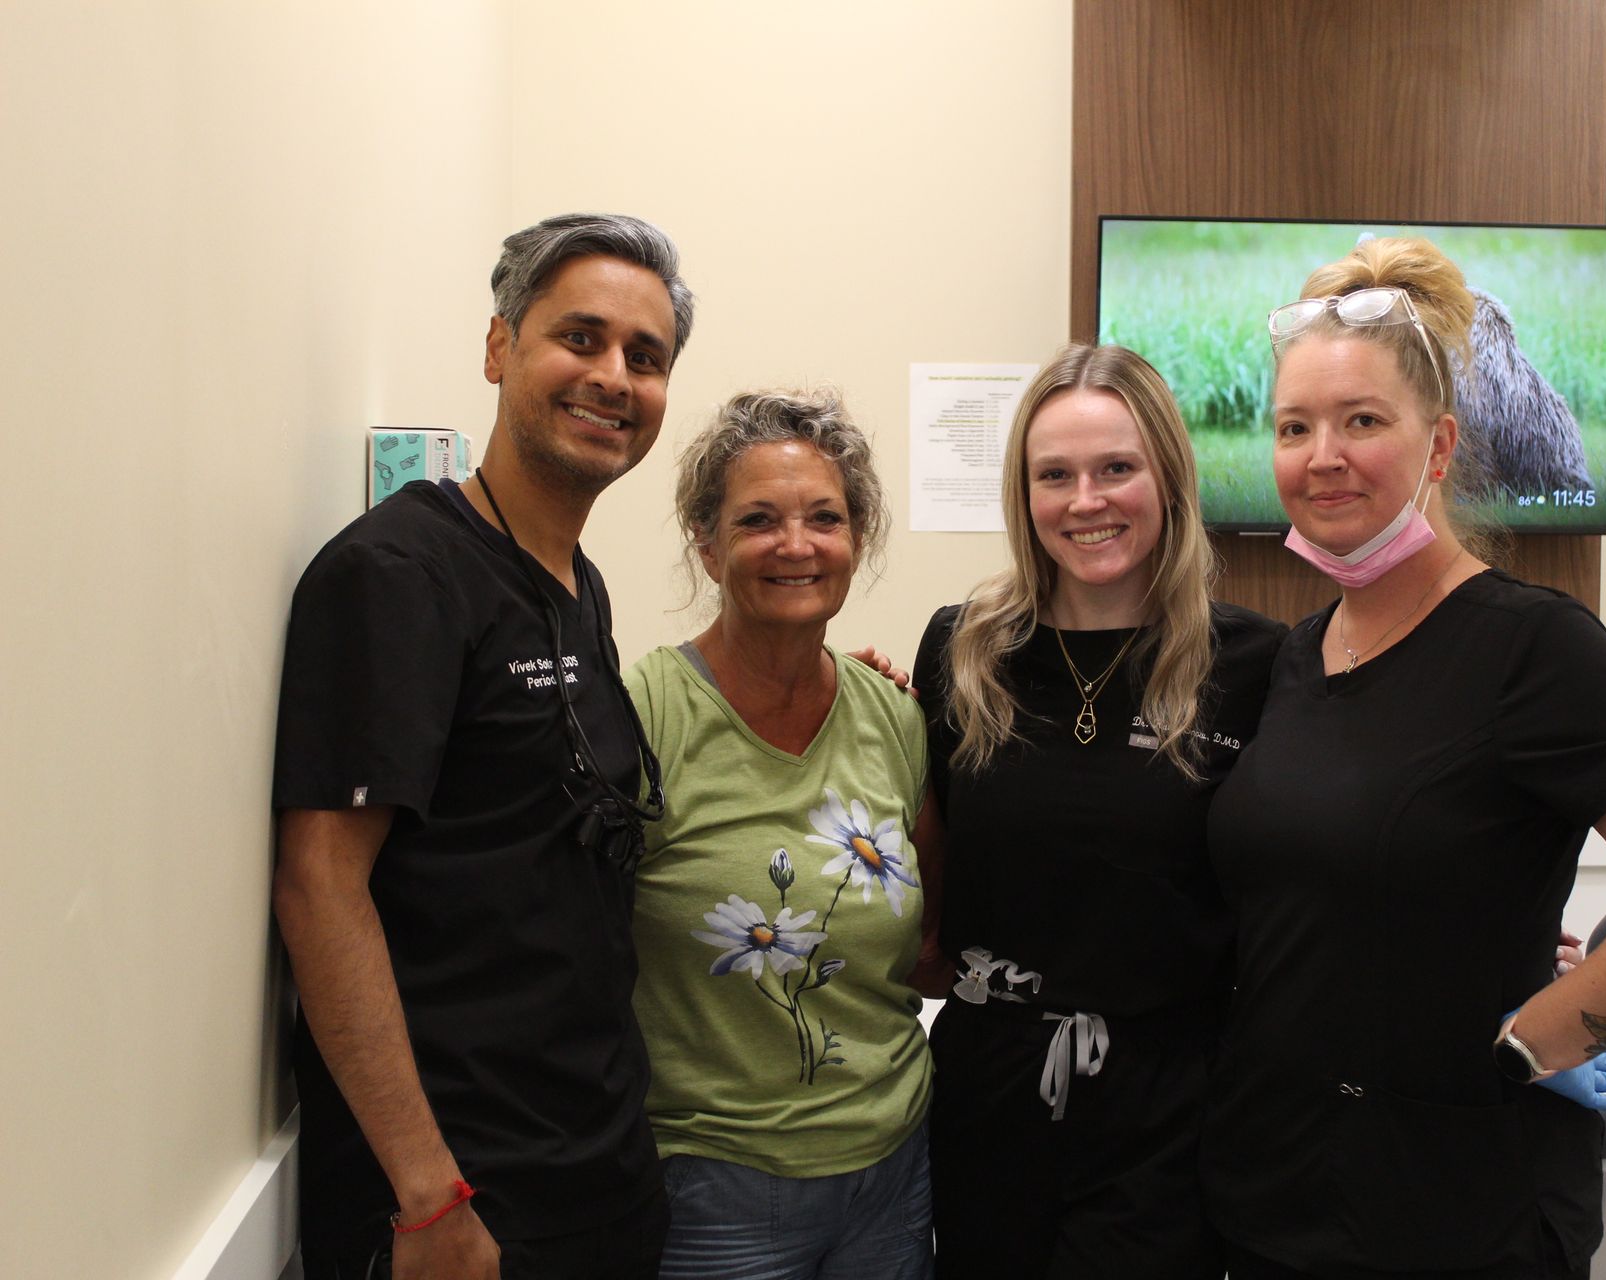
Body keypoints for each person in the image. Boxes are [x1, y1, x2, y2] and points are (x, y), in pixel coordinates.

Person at [1201, 236, 1606, 1279]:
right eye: (1294, 427)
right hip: (1272, 1193)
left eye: (1362, 421)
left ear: (1439, 446)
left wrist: (1547, 1033)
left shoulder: (1532, 645)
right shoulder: (1296, 657)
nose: (1321, 454)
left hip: (1455, 1208)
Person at [272, 212, 694, 1280]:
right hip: (459, 1209)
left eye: (645, 358)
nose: (612, 376)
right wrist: (428, 1194)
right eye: (580, 337)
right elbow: (322, 886)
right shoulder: (399, 573)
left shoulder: (575, 587)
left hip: (592, 1178)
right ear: (500, 346)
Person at [910, 344, 1285, 1279]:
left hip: (1172, 1109)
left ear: (1168, 476)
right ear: (1023, 493)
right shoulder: (962, 651)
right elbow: (926, 852)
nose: (1086, 500)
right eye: (1055, 475)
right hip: (987, 1098)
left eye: (1117, 467)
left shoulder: (1257, 666)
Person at [624, 389, 936, 1279]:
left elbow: (930, 942)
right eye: (758, 519)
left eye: (824, 519)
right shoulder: (643, 716)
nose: (795, 545)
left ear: (858, 539)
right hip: (713, 1188)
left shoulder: (894, 717)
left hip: (893, 1174)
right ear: (707, 543)